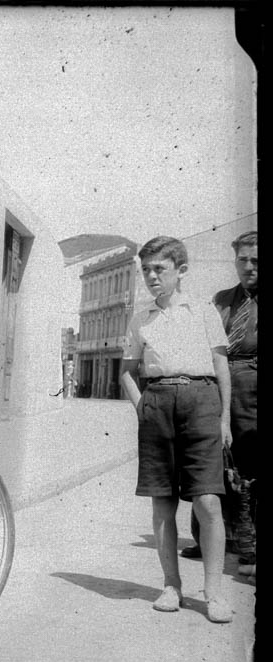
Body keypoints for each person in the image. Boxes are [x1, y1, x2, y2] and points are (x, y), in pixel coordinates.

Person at [119, 236, 234, 623]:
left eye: (159, 269)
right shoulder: (141, 318)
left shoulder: (203, 311)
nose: (151, 276)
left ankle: (214, 593)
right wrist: (143, 409)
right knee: (162, 502)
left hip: (201, 401)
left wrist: (223, 419)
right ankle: (172, 585)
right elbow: (127, 372)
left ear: (180, 271)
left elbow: (221, 369)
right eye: (145, 269)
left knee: (208, 502)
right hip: (158, 405)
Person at [180, 231, 257, 575]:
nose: (249, 267)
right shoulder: (223, 299)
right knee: (215, 463)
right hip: (223, 382)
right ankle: (207, 538)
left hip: (255, 386)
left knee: (250, 468)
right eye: (243, 260)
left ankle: (248, 545)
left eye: (256, 260)